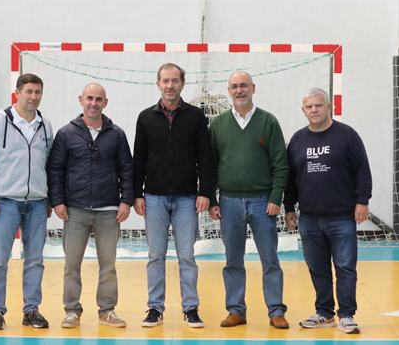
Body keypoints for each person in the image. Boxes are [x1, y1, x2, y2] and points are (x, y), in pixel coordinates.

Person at [283, 87, 372, 335]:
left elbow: (362, 171)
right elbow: (291, 179)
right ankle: (324, 313)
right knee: (317, 268)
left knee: (345, 268)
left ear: (329, 107)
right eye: (309, 106)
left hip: (342, 216)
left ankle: (346, 315)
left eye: (319, 105)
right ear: (303, 111)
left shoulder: (347, 135)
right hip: (309, 218)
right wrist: (289, 207)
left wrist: (362, 201)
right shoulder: (298, 139)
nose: (314, 110)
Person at [48, 83, 134, 329]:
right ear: (81, 100)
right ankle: (71, 310)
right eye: (89, 98)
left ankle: (107, 310)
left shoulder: (117, 134)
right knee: (71, 265)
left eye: (98, 99)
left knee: (108, 265)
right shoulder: (66, 134)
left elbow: (127, 170)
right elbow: (55, 170)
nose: (93, 103)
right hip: (75, 210)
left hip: (108, 211)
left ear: (105, 102)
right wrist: (58, 201)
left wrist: (126, 201)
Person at [133, 63, 213, 329]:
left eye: (175, 81)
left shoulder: (196, 116)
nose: (170, 85)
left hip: (187, 198)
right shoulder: (145, 117)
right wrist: (137, 194)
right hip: (153, 198)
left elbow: (205, 157)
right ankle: (155, 307)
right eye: (165, 81)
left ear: (182, 84)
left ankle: (191, 307)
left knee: (186, 256)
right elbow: (139, 159)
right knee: (155, 255)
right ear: (158, 83)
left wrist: (205, 192)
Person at [208, 71, 289, 329]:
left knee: (270, 260)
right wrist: (212, 199)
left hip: (263, 202)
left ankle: (276, 311)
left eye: (244, 85)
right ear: (229, 91)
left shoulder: (268, 121)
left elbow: (280, 163)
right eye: (234, 86)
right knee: (233, 261)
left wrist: (276, 197)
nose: (239, 90)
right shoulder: (218, 124)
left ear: (253, 88)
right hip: (229, 202)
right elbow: (209, 166)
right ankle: (236, 310)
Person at [0, 73, 54, 331]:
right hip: (5, 202)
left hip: (37, 203)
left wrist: (49, 198)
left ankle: (31, 310)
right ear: (17, 93)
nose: (33, 96)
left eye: (38, 92)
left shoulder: (45, 125)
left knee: (35, 260)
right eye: (29, 91)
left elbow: (50, 165)